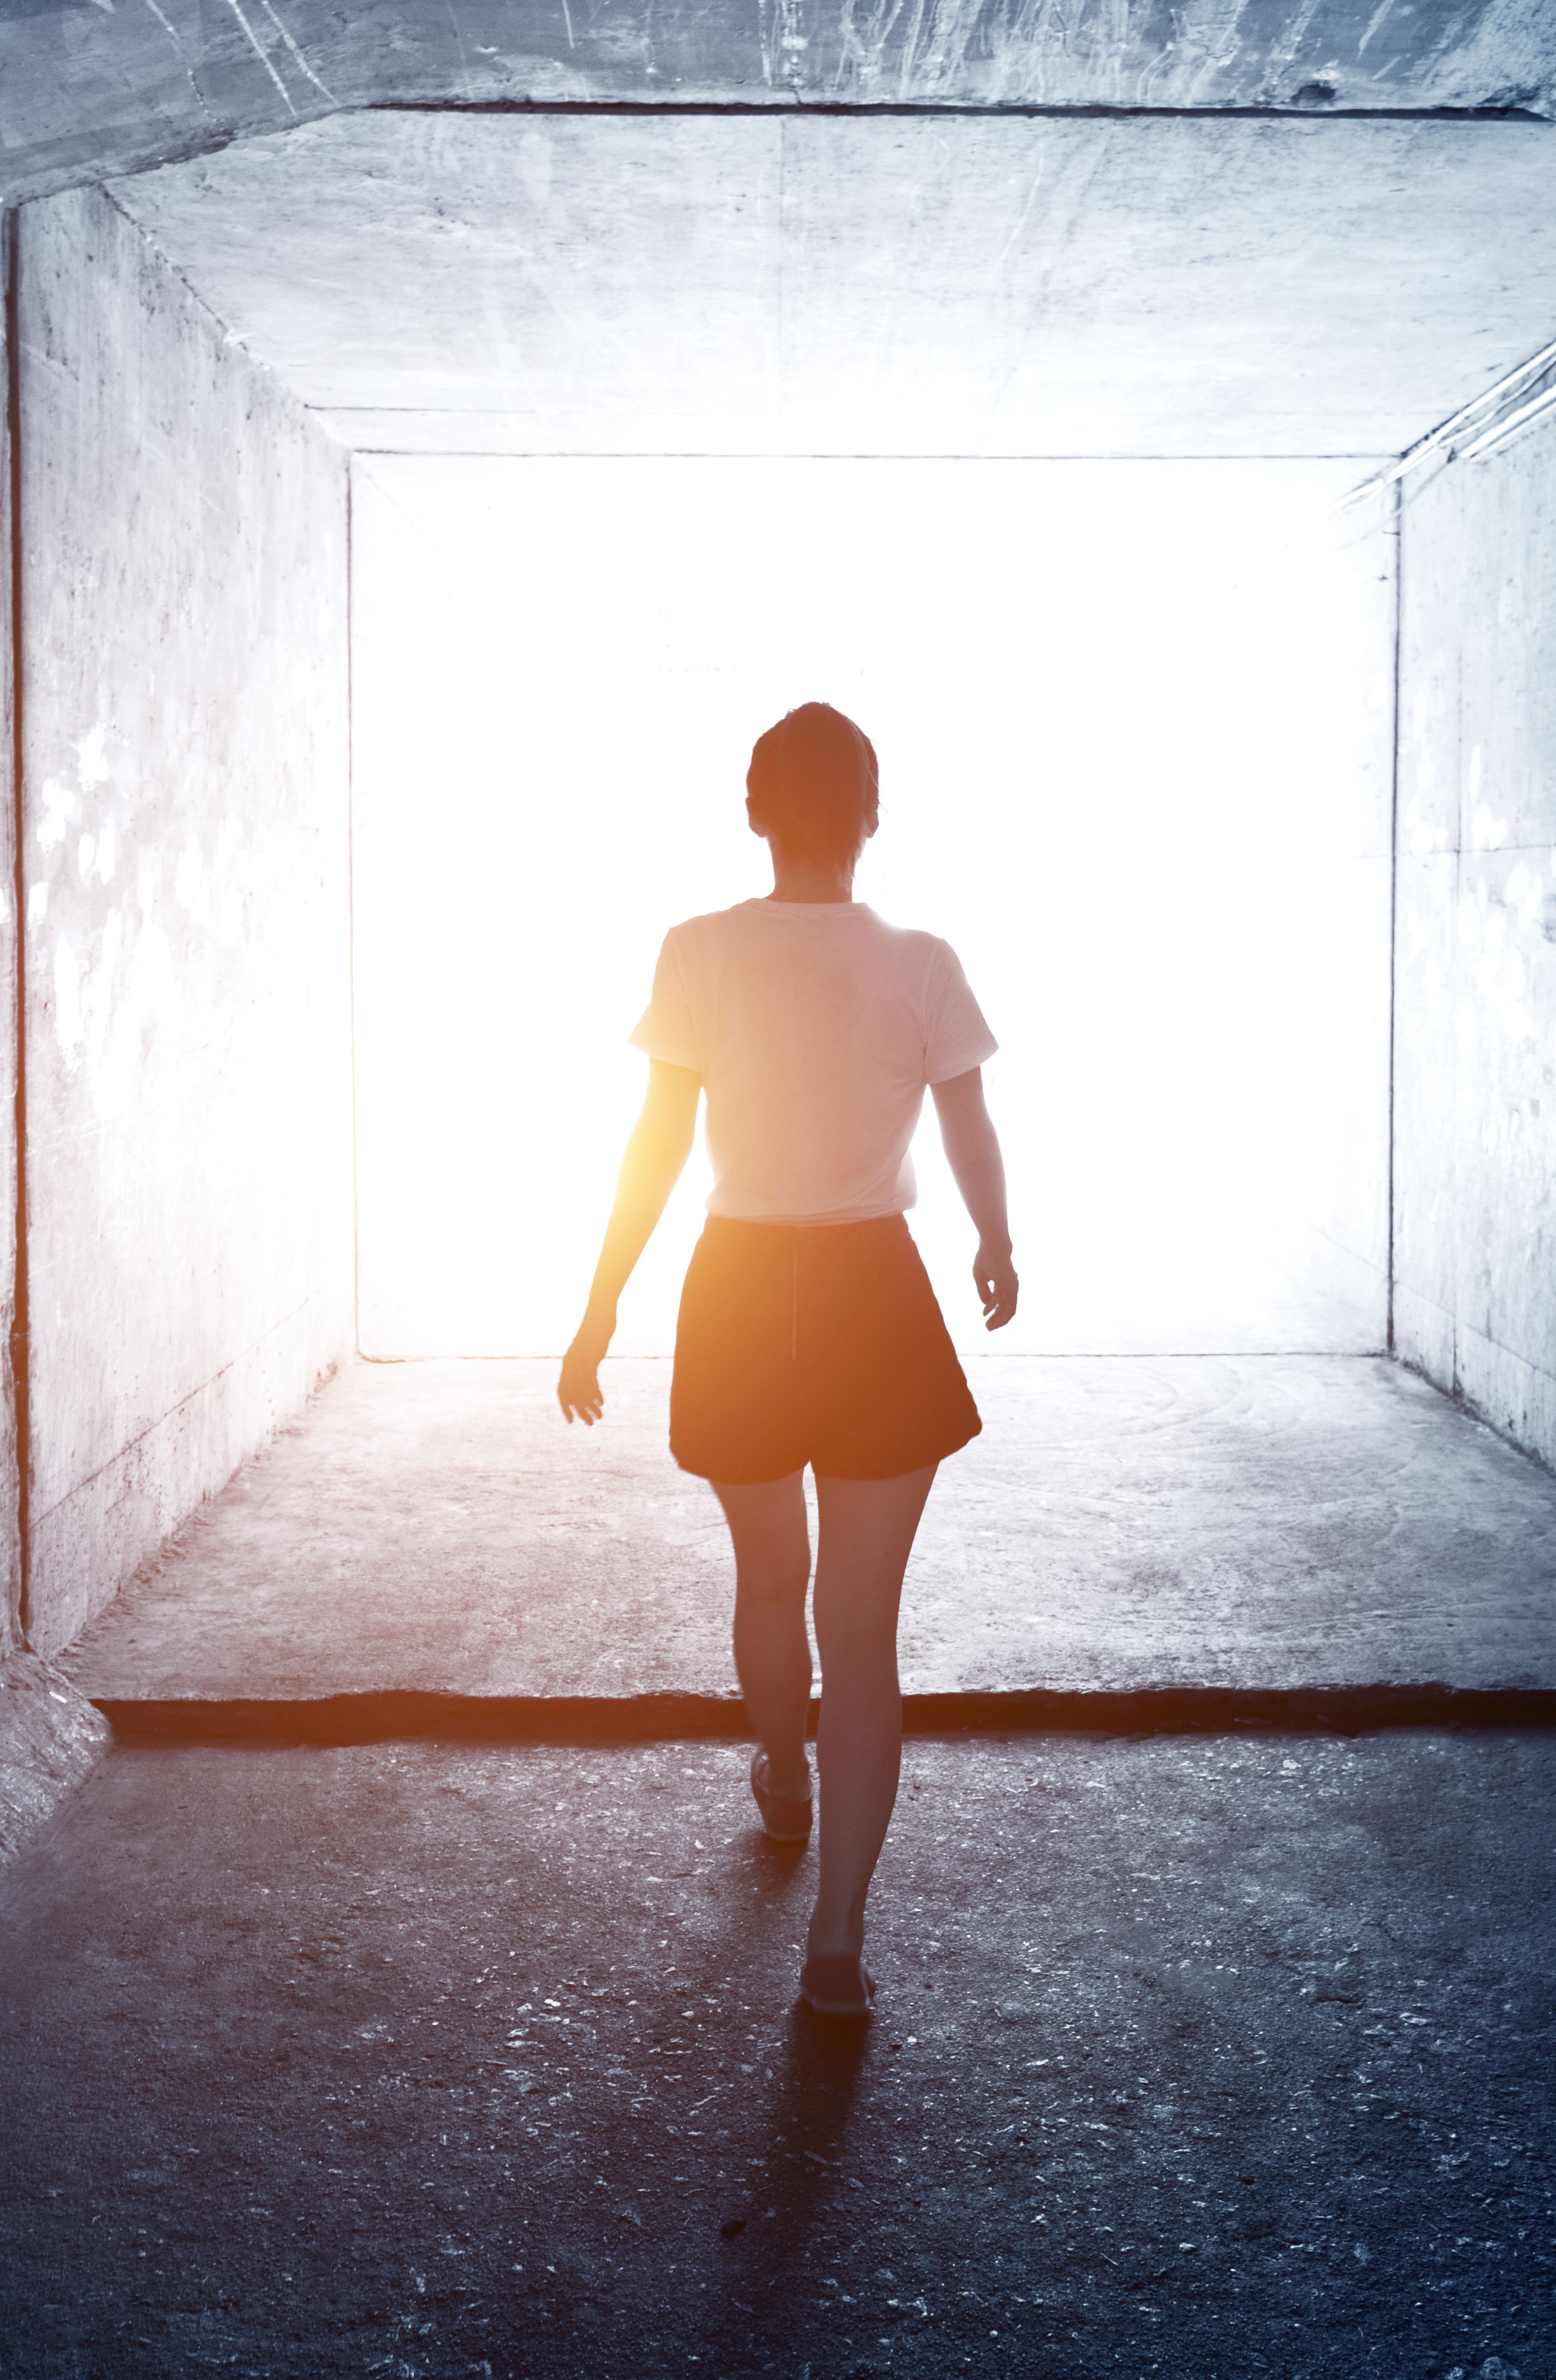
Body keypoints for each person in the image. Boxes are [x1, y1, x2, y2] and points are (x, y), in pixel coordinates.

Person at [555, 701, 1017, 2022]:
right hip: (875, 1289)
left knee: (772, 1582)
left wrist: (599, 1308)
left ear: (756, 810)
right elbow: (972, 1125)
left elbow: (652, 1150)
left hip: (744, 1290)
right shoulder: (924, 961)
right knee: (860, 1637)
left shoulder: (698, 951)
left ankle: (783, 1773)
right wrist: (994, 1240)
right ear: (873, 814)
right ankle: (837, 1948)